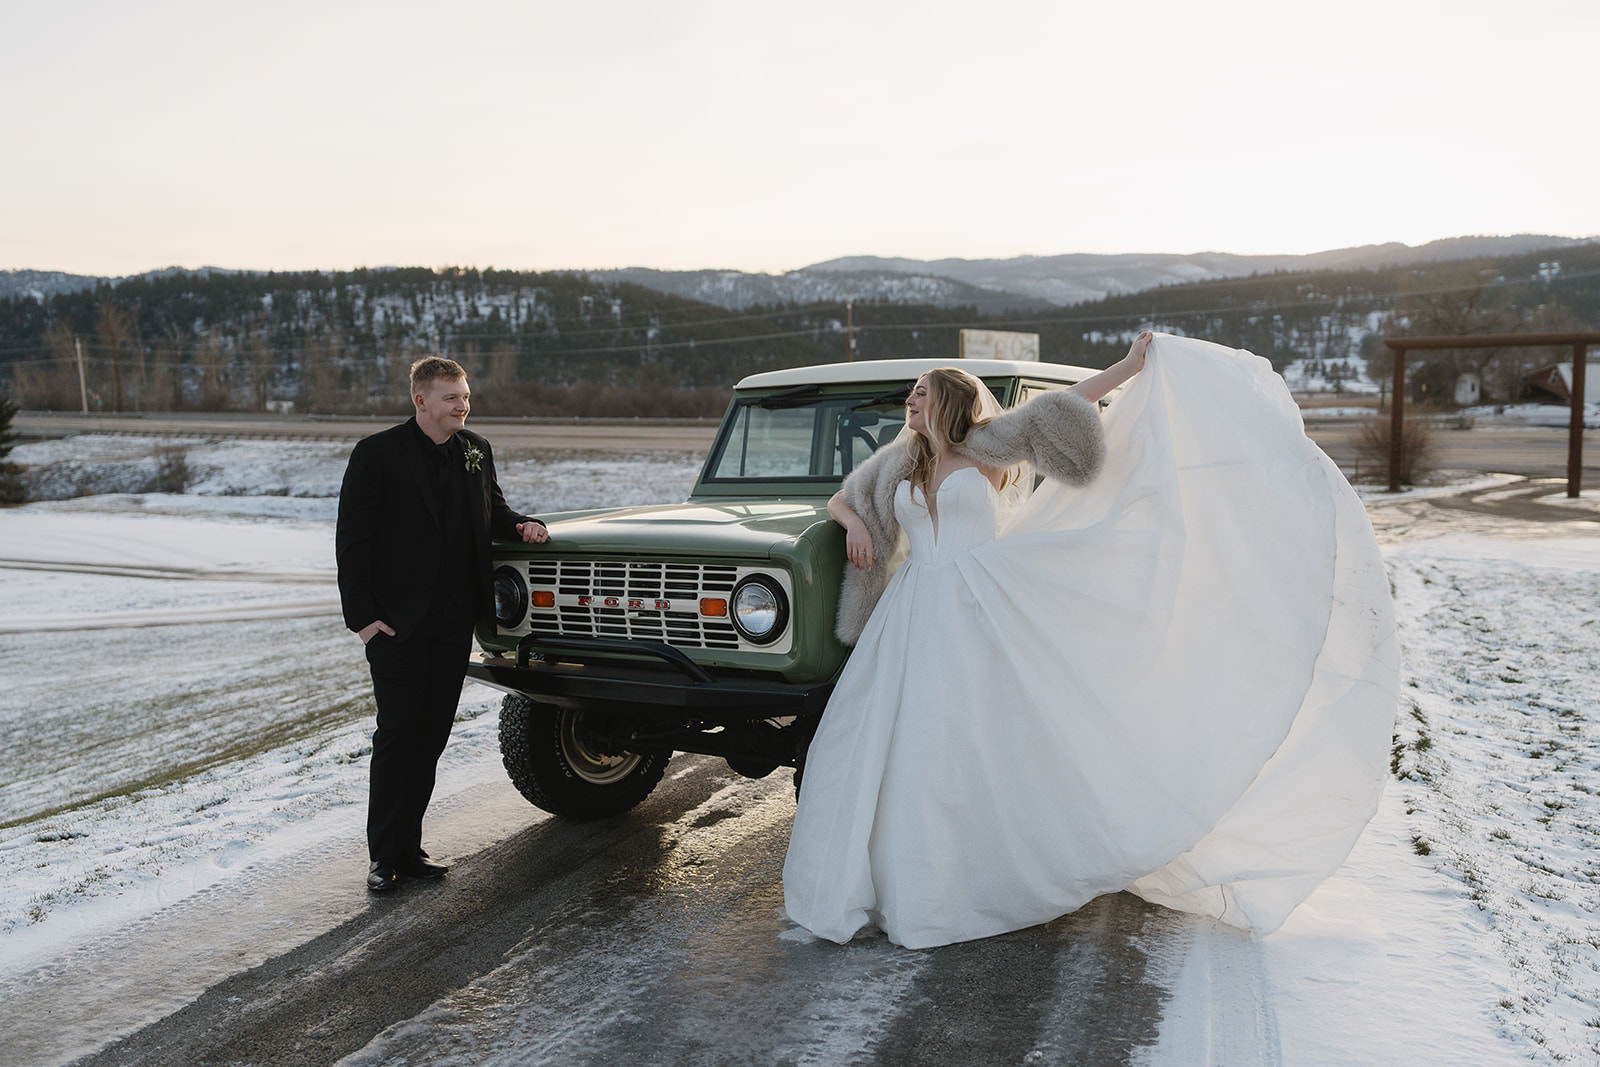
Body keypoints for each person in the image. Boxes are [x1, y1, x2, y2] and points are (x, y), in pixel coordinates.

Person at [783, 332, 1399, 949]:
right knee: (898, 739)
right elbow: (840, 498)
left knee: (976, 740)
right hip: (913, 611)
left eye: (920, 393)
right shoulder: (902, 462)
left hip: (978, 606)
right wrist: (858, 523)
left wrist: (1128, 367)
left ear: (948, 401)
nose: (910, 402)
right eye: (911, 394)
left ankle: (966, 881)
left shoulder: (989, 451)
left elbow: (1065, 406)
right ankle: (893, 881)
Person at [336, 357, 548, 893]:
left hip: (455, 622)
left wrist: (522, 523)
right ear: (421, 401)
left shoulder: (476, 451)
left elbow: (492, 509)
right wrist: (364, 621)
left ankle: (410, 849)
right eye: (452, 397)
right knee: (397, 736)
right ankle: (383, 857)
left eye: (465, 395)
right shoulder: (376, 454)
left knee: (430, 738)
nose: (463, 405)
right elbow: (352, 542)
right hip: (396, 627)